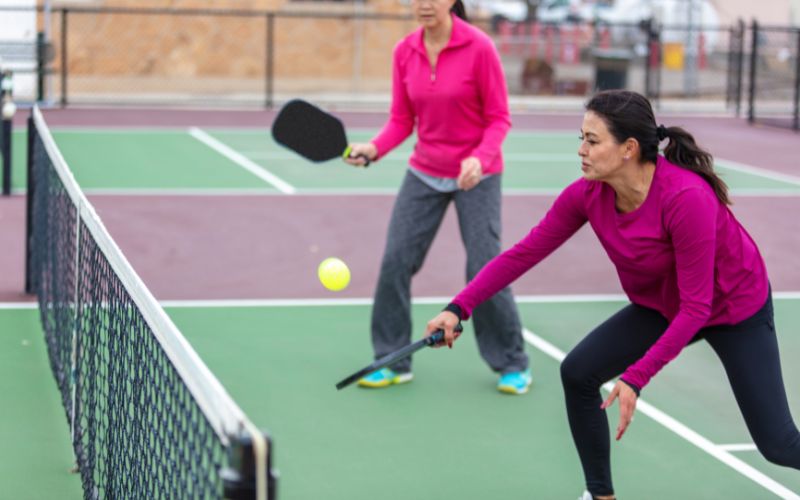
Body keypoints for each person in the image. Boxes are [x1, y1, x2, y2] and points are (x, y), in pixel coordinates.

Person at [425, 90, 800, 499]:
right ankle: (600, 495)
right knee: (578, 372)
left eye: (592, 140)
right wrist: (458, 307)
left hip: (733, 308)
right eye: (581, 138)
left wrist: (636, 377)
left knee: (778, 445)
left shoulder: (685, 198)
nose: (581, 150)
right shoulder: (587, 195)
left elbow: (697, 307)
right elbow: (523, 254)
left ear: (628, 149)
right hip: (662, 304)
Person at [343, 0, 531, 394]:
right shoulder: (404, 51)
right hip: (425, 170)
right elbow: (401, 120)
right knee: (396, 260)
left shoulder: (479, 48)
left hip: (477, 174)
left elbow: (499, 118)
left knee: (484, 266)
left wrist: (480, 160)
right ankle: (392, 358)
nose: (424, 3)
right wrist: (374, 149)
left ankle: (512, 362)